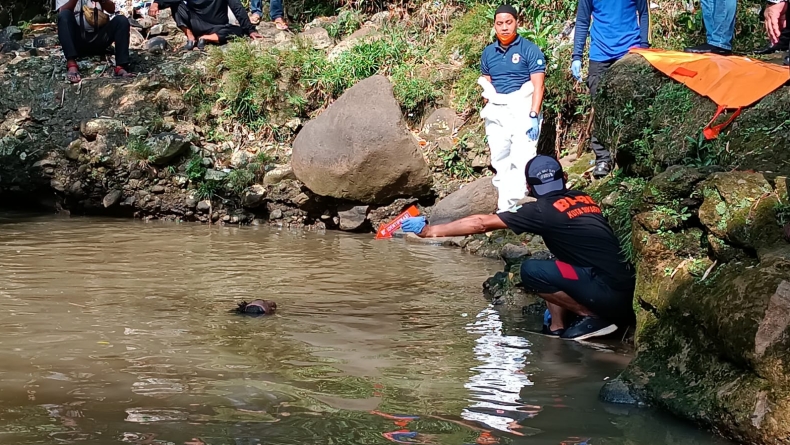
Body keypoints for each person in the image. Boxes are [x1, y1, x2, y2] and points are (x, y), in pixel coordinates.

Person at [400, 155, 636, 341]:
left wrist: (430, 230)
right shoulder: (584, 198)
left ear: (528, 187)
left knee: (532, 270)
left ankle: (593, 316)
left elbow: (481, 223)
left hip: (608, 296)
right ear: (563, 177)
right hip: (625, 289)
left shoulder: (540, 210)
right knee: (553, 261)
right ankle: (556, 327)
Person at [479, 4, 546, 212]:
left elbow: (538, 85)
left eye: (509, 22)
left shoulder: (529, 49)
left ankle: (519, 205)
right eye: (500, 23)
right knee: (500, 158)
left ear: (517, 22)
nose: (505, 27)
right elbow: (486, 85)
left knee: (522, 157)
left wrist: (534, 114)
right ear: (494, 26)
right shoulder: (488, 53)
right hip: (498, 110)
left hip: (523, 107)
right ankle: (504, 206)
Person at [570, 0, 649, 178]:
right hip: (599, 54)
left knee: (631, 105)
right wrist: (577, 56)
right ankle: (603, 158)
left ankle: (631, 153)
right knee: (600, 106)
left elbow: (644, 13)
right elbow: (582, 21)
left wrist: (644, 45)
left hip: (630, 51)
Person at [56, 0, 135, 83]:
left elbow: (112, 9)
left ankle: (121, 66)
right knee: (64, 15)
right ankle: (71, 64)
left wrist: (102, 1)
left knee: (121, 20)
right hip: (78, 40)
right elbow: (63, 10)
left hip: (99, 38)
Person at [148, 0, 262, 50]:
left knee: (239, 31)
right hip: (207, 26)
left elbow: (237, 7)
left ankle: (200, 38)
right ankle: (193, 37)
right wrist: (157, 3)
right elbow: (237, 7)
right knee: (176, 4)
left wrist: (250, 30)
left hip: (212, 27)